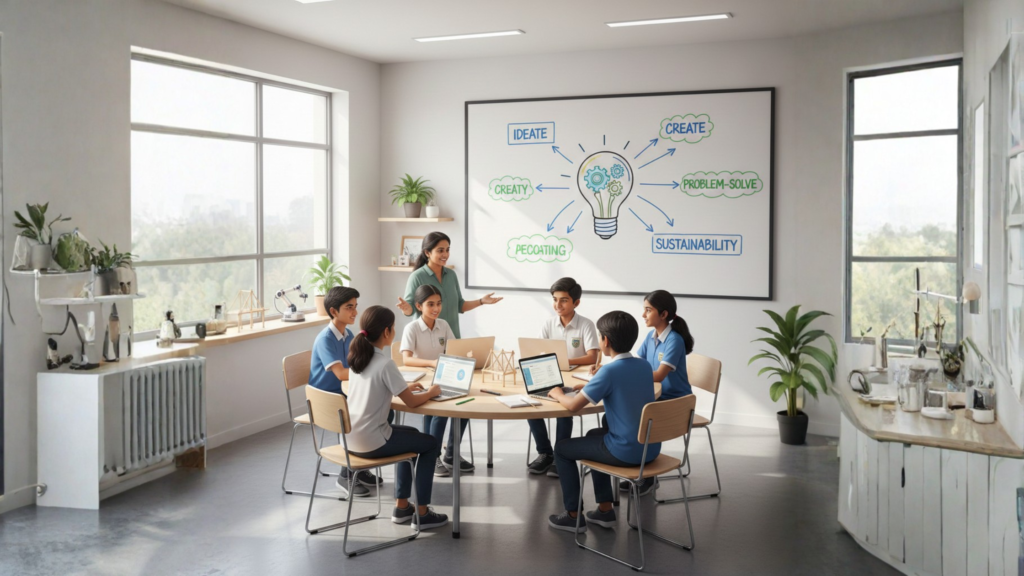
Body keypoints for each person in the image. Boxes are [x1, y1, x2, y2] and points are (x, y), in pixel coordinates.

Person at [396, 231, 502, 473]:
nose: (445, 254)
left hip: (449, 343)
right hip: (426, 351)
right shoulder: (417, 276)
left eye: (447, 249)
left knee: (462, 401)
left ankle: (452, 453)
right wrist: (404, 310)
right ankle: (431, 454)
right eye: (440, 250)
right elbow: (412, 308)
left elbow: (460, 306)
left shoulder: (451, 275)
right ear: (427, 253)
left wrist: (482, 302)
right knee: (437, 405)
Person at [545, 311, 660, 533]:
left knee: (561, 449)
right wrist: (592, 383)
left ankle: (572, 515)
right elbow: (621, 385)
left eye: (599, 336)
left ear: (605, 340)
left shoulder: (609, 371)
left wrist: (558, 393)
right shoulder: (644, 366)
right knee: (594, 436)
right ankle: (605, 510)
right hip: (650, 448)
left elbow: (572, 406)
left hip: (625, 451)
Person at [344, 305, 450, 529]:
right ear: (386, 332)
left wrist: (405, 386)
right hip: (373, 441)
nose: (394, 332)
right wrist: (432, 392)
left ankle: (402, 508)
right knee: (430, 444)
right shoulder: (385, 363)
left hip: (351, 438)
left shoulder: (357, 359)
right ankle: (422, 513)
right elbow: (411, 402)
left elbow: (383, 385)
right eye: (393, 328)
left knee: (412, 435)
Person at [526, 277, 600, 477]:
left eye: (564, 300)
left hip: (575, 380)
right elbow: (540, 354)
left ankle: (560, 456)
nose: (558, 305)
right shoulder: (548, 324)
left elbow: (593, 355)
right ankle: (545, 453)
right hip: (550, 375)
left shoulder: (586, 324)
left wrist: (563, 361)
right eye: (555, 299)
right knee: (531, 405)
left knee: (563, 409)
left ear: (576, 302)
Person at [308, 286, 374, 498]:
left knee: (382, 411)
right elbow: (341, 374)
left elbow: (357, 365)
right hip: (327, 399)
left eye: (355, 307)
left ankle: (359, 468)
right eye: (349, 308)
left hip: (344, 394)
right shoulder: (326, 339)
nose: (355, 312)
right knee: (362, 415)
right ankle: (346, 475)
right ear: (334, 311)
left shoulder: (348, 334)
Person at [400, 284, 468, 477]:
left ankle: (452, 453)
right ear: (419, 306)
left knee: (465, 407)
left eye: (438, 303)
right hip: (421, 382)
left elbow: (454, 350)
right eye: (430, 304)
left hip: (442, 377)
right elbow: (406, 359)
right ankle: (433, 455)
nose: (436, 308)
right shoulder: (411, 328)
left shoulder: (444, 325)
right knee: (440, 411)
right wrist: (432, 362)